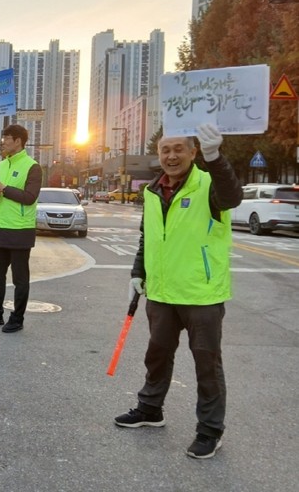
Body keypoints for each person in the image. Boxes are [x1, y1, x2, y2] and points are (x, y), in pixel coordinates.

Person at [114, 123, 242, 460]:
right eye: (165, 150)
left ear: (193, 152)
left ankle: (210, 431)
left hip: (201, 293)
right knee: (156, 355)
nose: (171, 156)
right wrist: (138, 273)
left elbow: (232, 196)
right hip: (161, 293)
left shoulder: (209, 184)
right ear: (158, 154)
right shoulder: (152, 190)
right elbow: (148, 236)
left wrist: (216, 157)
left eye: (178, 149)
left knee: (207, 365)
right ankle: (150, 409)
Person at [0, 124, 41, 333]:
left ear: (18, 141)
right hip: (1, 227)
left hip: (21, 229)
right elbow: (0, 197)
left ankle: (17, 318)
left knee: (20, 278)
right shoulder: (2, 165)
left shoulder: (32, 167)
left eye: (6, 138)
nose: (3, 142)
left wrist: (5, 189)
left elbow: (29, 198)